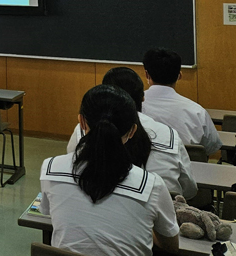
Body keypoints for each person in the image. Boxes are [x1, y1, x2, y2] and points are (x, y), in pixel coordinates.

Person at [40, 84, 179, 256]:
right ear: (132, 131)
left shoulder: (51, 168)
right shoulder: (151, 185)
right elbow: (172, 245)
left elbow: (48, 214)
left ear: (81, 122)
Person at [66, 67, 197, 200]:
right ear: (142, 97)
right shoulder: (168, 135)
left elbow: (72, 165)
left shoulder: (83, 131)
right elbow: (189, 189)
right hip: (164, 208)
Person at [141, 48, 221, 155]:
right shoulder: (197, 112)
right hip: (190, 170)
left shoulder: (131, 106)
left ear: (147, 75)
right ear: (179, 75)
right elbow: (211, 147)